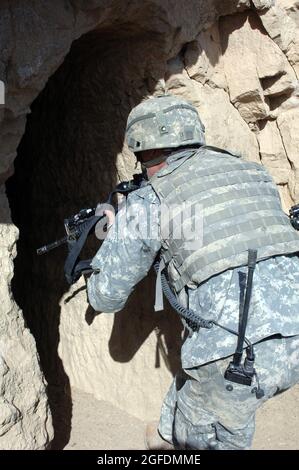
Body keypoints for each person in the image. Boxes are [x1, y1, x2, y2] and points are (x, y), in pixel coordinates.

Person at [87, 94, 299, 450]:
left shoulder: (151, 199)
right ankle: (164, 439)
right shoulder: (252, 173)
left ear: (143, 151)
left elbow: (105, 296)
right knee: (189, 395)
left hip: (239, 357)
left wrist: (119, 228)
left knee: (204, 436)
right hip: (290, 329)